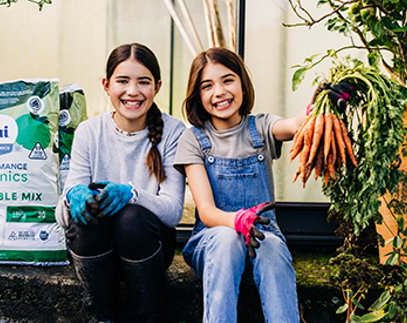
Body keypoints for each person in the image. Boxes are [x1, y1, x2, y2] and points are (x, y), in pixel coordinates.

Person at [173, 47, 350, 322]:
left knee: (273, 248)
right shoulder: (193, 139)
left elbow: (296, 125)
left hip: (261, 239)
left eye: (228, 80)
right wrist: (236, 221)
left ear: (243, 83)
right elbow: (206, 212)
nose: (219, 91)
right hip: (212, 247)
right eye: (207, 86)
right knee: (225, 237)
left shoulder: (262, 127)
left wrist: (319, 106)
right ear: (198, 95)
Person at [56, 43, 186, 323]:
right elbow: (64, 218)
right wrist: (72, 197)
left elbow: (174, 211)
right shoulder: (89, 132)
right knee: (86, 215)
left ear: (157, 86)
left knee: (131, 218)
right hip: (98, 251)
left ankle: (152, 317)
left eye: (143, 82)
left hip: (148, 247)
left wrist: (133, 194)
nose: (132, 91)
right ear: (106, 85)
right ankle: (102, 317)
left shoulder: (175, 132)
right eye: (122, 81)